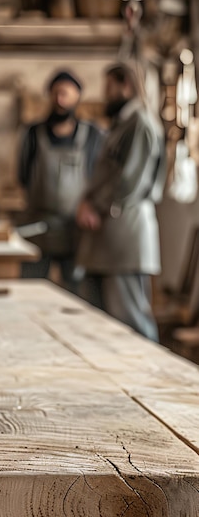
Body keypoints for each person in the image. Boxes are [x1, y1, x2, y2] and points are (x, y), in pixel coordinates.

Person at [76, 64, 166, 341]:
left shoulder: (140, 123)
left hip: (125, 232)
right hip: (108, 235)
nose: (105, 95)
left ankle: (150, 378)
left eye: (108, 88)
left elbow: (131, 180)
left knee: (131, 319)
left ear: (125, 85)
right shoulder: (123, 124)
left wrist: (97, 206)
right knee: (104, 324)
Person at [19, 70, 104, 293]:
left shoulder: (93, 136)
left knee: (79, 295)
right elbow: (23, 175)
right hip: (39, 227)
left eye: (65, 94)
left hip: (76, 230)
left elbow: (100, 177)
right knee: (30, 291)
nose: (60, 99)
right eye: (55, 93)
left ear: (77, 97)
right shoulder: (33, 134)